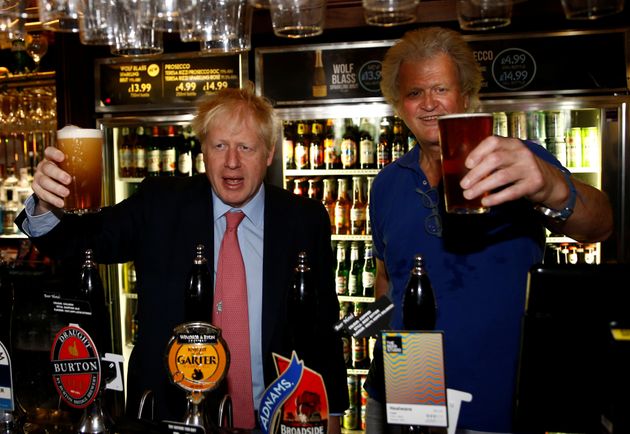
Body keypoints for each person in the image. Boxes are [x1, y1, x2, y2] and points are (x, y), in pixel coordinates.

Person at [15, 83, 348, 432]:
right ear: (203, 149)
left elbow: (322, 327)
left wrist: (334, 410)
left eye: (245, 147)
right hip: (169, 417)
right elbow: (80, 242)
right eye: (219, 145)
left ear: (268, 153)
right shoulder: (161, 204)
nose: (231, 161)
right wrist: (44, 204)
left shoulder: (304, 219)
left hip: (277, 418)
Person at [364, 27, 613, 434]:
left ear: (466, 95)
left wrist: (549, 186)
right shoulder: (388, 182)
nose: (429, 104)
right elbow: (388, 276)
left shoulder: (515, 161)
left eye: (441, 88)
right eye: (414, 93)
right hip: (409, 377)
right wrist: (375, 325)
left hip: (499, 390)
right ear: (398, 105)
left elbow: (601, 225)